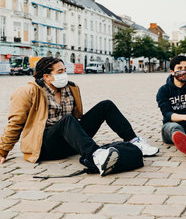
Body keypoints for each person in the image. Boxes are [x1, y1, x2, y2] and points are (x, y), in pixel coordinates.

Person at [0, 57, 158, 176]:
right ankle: (96, 156)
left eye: (64, 71)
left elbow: (78, 117)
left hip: (69, 142)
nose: (64, 75)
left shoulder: (71, 88)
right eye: (59, 72)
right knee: (68, 120)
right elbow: (15, 123)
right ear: (46, 76)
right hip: (45, 145)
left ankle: (134, 141)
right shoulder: (29, 91)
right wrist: (2, 151)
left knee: (106, 105)